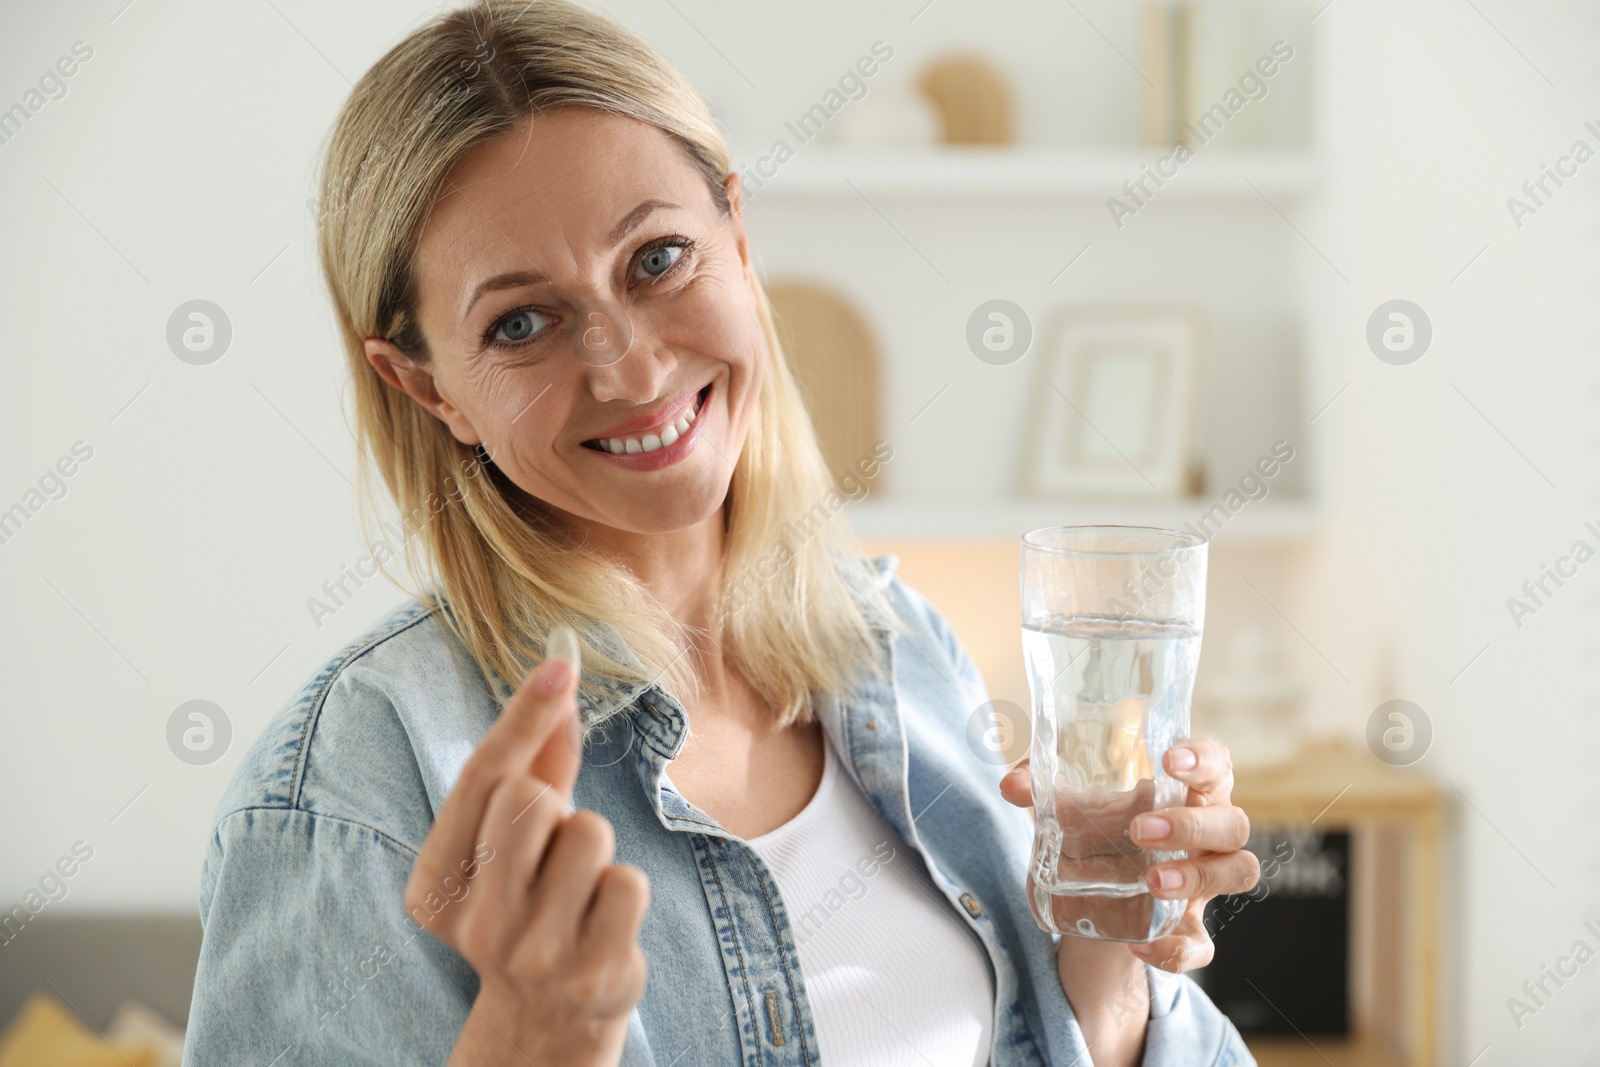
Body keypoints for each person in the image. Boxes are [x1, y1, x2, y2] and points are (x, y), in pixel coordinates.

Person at [181, 2, 1259, 1064]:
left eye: (656, 259)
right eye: (521, 322)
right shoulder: (356, 783)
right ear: (426, 387)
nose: (631, 368)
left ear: (738, 238)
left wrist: (1113, 950)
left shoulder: (899, 647)